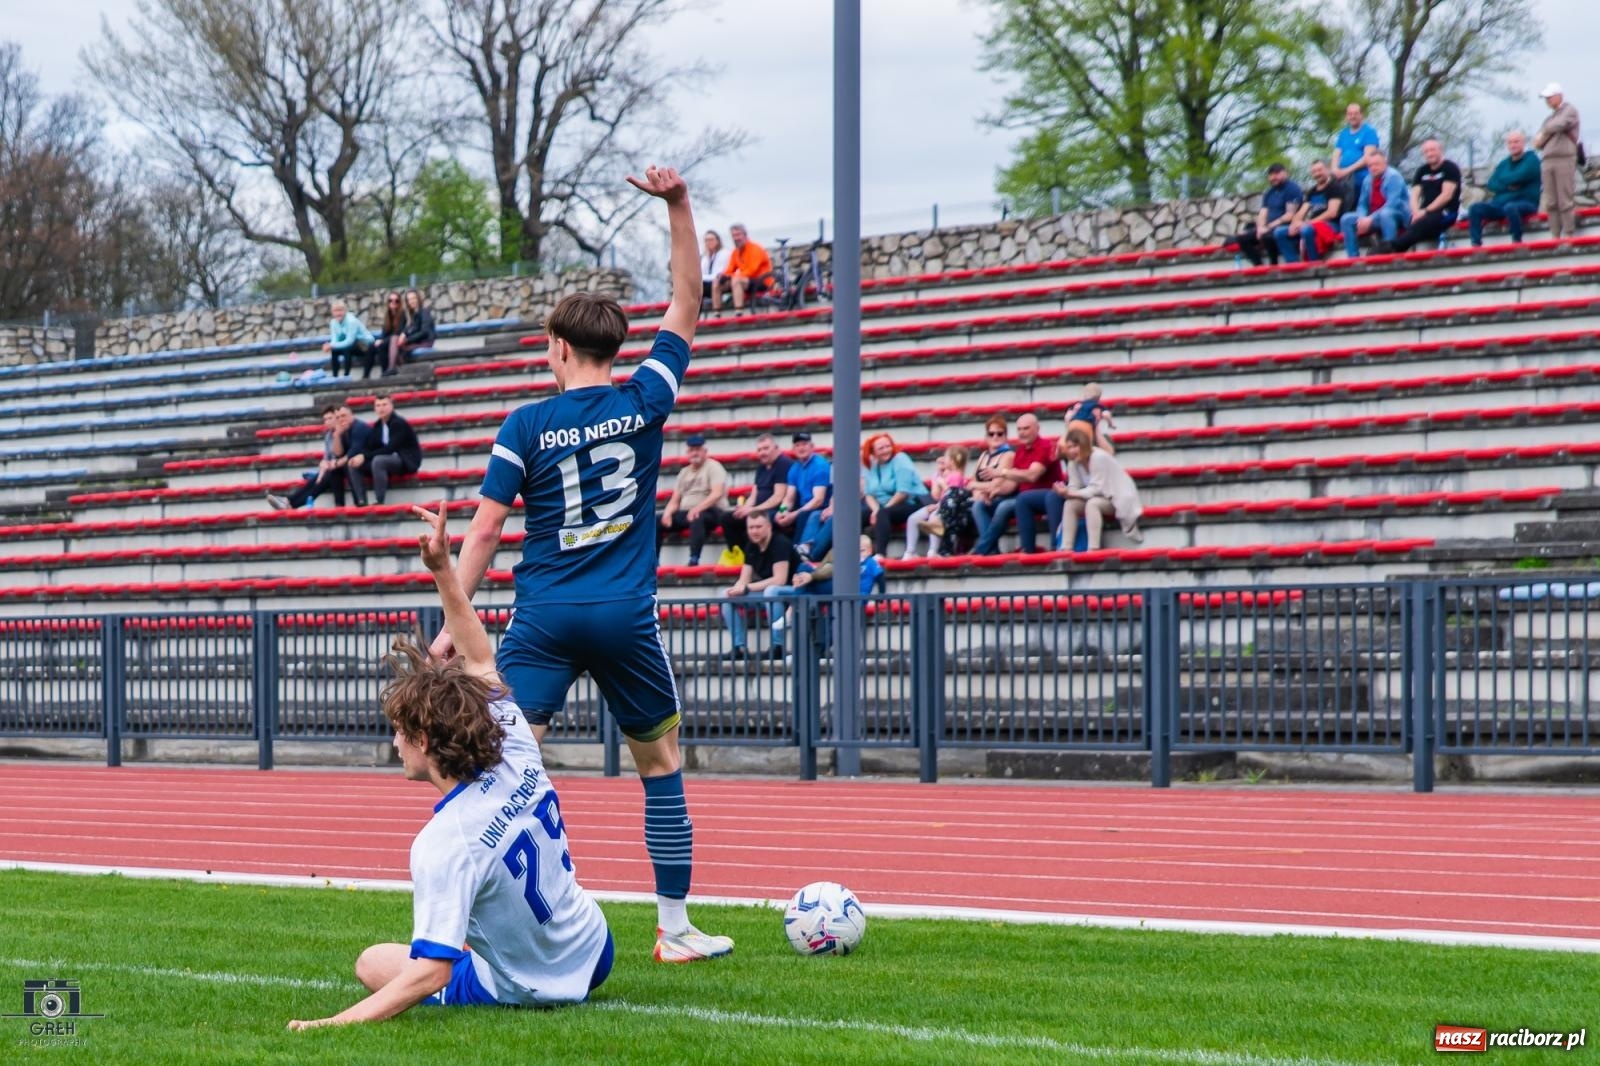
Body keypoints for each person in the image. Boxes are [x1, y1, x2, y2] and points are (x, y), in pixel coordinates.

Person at [433, 165, 733, 963]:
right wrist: (677, 204)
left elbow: (489, 531)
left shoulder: (526, 422)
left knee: (497, 769)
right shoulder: (646, 399)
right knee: (661, 763)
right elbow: (688, 302)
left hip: (543, 619)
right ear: (613, 347)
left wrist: (449, 620)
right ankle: (674, 932)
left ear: (558, 349)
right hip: (625, 616)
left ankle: (472, 932)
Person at [287, 504, 612, 1030]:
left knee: (372, 961)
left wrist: (327, 1026)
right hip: (595, 948)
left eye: (399, 729)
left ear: (422, 738)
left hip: (532, 987)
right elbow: (480, 657)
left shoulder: (444, 841)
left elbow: (430, 973)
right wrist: (442, 567)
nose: (394, 741)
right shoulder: (514, 740)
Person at [719, 510, 800, 661]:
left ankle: (778, 646)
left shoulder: (780, 543)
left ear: (768, 526)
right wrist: (735, 590)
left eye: (758, 527)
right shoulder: (751, 546)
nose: (754, 531)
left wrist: (747, 588)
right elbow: (744, 579)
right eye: (751, 528)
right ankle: (739, 647)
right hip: (771, 594)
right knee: (726, 595)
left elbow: (780, 580)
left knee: (772, 591)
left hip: (795, 592)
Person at [973, 413, 1058, 555]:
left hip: (1043, 496)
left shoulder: (1044, 446)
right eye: (1019, 429)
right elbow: (1011, 484)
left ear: (1037, 428)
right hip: (1020, 496)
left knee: (1005, 506)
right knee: (979, 505)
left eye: (1026, 429)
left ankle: (981, 549)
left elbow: (1032, 475)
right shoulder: (1020, 451)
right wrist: (991, 492)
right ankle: (991, 550)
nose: (1022, 433)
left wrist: (1002, 472)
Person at [1054, 428, 1144, 551]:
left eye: (1075, 446)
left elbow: (1096, 489)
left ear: (1084, 444)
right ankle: (1066, 547)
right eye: (1069, 447)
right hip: (1097, 495)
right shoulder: (1073, 462)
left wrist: (1071, 492)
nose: (1072, 450)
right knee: (1070, 504)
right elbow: (1074, 486)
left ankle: (1093, 548)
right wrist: (1065, 492)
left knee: (1092, 504)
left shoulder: (1098, 457)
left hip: (1116, 498)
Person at [657, 435, 729, 567]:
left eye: (698, 449)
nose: (694, 453)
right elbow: (675, 500)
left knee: (697, 517)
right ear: (687, 453)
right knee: (657, 520)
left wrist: (698, 508)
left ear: (705, 451)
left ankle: (694, 558)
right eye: (691, 450)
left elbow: (717, 493)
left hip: (712, 511)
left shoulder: (714, 467)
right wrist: (667, 513)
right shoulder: (684, 472)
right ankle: (654, 561)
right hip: (688, 512)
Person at [1383, 139, 1462, 254]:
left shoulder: (1450, 168)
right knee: (1411, 221)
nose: (1429, 154)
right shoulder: (1422, 171)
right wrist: (1416, 213)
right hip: (1425, 214)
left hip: (1446, 212)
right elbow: (1414, 194)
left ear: (1440, 150)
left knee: (1424, 223)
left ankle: (1394, 247)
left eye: (1432, 150)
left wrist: (1424, 212)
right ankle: (1395, 248)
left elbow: (1446, 195)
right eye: (1426, 151)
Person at [862, 433, 931, 557]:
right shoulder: (873, 465)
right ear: (873, 452)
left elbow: (902, 493)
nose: (886, 450)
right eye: (881, 448)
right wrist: (875, 509)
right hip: (885, 505)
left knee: (883, 513)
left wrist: (881, 510)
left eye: (888, 446)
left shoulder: (901, 459)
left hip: (912, 502)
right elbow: (869, 494)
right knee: (858, 514)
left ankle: (880, 553)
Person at [1468, 131, 1541, 246]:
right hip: (1500, 204)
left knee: (1510, 207)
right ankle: (1476, 245)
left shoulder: (1532, 160)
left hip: (1525, 202)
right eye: (1510, 142)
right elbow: (1492, 183)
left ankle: (1517, 241)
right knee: (1475, 208)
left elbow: (1520, 176)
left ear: (1523, 143)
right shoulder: (1504, 163)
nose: (1513, 145)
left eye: (1516, 142)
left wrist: (1503, 181)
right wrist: (1509, 185)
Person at [348, 393, 422, 506]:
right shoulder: (378, 425)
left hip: (404, 459)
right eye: (378, 405)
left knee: (378, 460)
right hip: (387, 459)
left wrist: (365, 456)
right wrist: (360, 456)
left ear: (391, 406)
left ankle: (379, 500)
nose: (381, 408)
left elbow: (390, 448)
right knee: (354, 464)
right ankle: (361, 501)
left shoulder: (398, 423)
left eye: (384, 405)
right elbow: (370, 447)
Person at [723, 433, 792, 553]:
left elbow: (778, 497)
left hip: (776, 511)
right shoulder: (761, 467)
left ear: (776, 448)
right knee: (727, 518)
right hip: (758, 510)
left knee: (754, 522)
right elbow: (754, 495)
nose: (762, 453)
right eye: (759, 450)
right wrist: (745, 508)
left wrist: (754, 510)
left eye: (766, 448)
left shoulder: (783, 463)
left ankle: (753, 557)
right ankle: (740, 554)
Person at [266, 405, 344, 510]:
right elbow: (326, 458)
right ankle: (288, 501)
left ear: (337, 418)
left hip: (341, 468)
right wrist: (322, 469)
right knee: (317, 479)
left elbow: (342, 455)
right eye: (325, 419)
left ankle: (290, 503)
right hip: (330, 469)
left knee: (325, 477)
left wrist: (327, 468)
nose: (327, 422)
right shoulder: (328, 435)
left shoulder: (343, 432)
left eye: (330, 418)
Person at [1340, 148, 1411, 258]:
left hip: (1397, 215)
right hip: (1374, 217)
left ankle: (1390, 251)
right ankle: (1353, 258)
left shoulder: (1393, 177)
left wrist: (1370, 219)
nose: (1373, 168)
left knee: (1385, 214)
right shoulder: (1367, 180)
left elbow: (1392, 204)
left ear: (1385, 163)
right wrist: (1362, 218)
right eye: (1370, 165)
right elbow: (1362, 204)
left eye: (1376, 164)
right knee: (1346, 219)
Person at [1535, 83, 1582, 240]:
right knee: (1551, 201)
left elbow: (1559, 125)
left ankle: (1568, 233)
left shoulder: (1570, 110)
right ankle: (1555, 234)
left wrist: (1546, 131)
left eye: (1549, 97)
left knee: (1565, 199)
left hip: (1564, 158)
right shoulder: (1550, 117)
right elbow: (1537, 142)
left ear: (1558, 95)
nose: (1547, 101)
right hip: (1548, 160)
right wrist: (1548, 131)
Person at [903, 446, 968, 559]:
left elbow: (952, 496)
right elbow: (936, 495)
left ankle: (933, 550)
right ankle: (910, 551)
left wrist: (942, 485)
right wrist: (938, 475)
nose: (943, 459)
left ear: (952, 460)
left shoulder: (957, 476)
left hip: (948, 509)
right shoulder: (946, 475)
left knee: (934, 517)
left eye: (946, 457)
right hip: (939, 504)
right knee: (913, 519)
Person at [1232, 163, 1303, 266]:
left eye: (1277, 173)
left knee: (1267, 237)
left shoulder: (1292, 189)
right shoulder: (1269, 192)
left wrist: (1268, 227)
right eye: (1271, 174)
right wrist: (1260, 227)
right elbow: (1263, 212)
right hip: (1268, 228)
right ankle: (1258, 265)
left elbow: (1290, 215)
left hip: (1285, 226)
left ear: (1285, 173)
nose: (1274, 177)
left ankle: (1273, 265)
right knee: (1243, 238)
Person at [775, 431, 831, 557]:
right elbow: (789, 498)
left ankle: (796, 554)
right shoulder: (795, 468)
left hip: (820, 508)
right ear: (793, 449)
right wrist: (782, 511)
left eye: (804, 444)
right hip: (804, 507)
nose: (801, 448)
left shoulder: (820, 465)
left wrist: (794, 514)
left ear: (812, 446)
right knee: (774, 518)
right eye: (798, 445)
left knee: (803, 515)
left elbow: (818, 500)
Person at [1281, 160, 1348, 264]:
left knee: (1306, 230)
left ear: (1328, 170)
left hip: (1332, 224)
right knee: (1280, 233)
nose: (1317, 174)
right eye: (1314, 171)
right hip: (1313, 223)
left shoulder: (1335, 187)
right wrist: (1294, 225)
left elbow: (1332, 213)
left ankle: (1314, 263)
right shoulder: (1312, 191)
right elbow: (1301, 211)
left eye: (1320, 170)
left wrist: (1307, 223)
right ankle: (1293, 264)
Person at [967, 415, 1016, 553]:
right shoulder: (983, 456)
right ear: (986, 436)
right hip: (985, 497)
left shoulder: (1008, 455)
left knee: (979, 506)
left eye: (999, 433)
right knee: (975, 504)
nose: (995, 437)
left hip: (1002, 497)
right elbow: (971, 482)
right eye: (991, 433)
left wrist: (977, 488)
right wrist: (978, 492)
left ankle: (982, 549)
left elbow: (997, 484)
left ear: (1006, 436)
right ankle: (991, 549)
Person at [710, 224, 773, 315]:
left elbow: (752, 270)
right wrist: (723, 276)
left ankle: (739, 311)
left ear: (745, 235)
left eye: (738, 235)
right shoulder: (735, 252)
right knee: (716, 282)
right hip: (745, 281)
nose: (736, 238)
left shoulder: (755, 248)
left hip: (762, 281)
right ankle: (716, 313)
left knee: (736, 280)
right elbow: (729, 269)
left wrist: (732, 276)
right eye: (733, 235)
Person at [1330, 102, 1381, 202]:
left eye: (1356, 113)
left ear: (1362, 115)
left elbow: (1368, 157)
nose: (1352, 116)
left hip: (1361, 181)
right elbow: (1336, 154)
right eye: (1350, 114)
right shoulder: (1343, 133)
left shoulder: (1369, 132)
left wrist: (1346, 171)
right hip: (1343, 181)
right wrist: (1335, 169)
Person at [390, 289, 437, 375]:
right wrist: (403, 334)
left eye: (413, 298)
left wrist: (407, 340)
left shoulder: (424, 312)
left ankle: (396, 369)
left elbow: (424, 332)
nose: (411, 301)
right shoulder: (412, 314)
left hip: (426, 341)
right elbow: (409, 328)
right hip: (417, 341)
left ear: (418, 299)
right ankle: (393, 368)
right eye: (409, 299)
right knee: (396, 342)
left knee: (402, 348)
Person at [323, 301, 374, 377]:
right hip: (352, 344)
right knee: (334, 351)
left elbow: (349, 341)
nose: (338, 313)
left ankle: (346, 375)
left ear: (345, 311)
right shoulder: (333, 322)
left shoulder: (351, 321)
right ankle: (335, 376)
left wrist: (331, 345)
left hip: (364, 344)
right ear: (332, 313)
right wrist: (330, 345)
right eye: (335, 311)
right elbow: (334, 340)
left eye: (340, 310)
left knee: (347, 348)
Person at [1065, 382, 1116, 454]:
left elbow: (1067, 417)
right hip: (1085, 427)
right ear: (1099, 398)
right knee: (1084, 444)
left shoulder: (1078, 405)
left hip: (1074, 425)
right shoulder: (1097, 405)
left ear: (1084, 396)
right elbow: (1106, 415)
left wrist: (1070, 426)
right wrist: (1111, 424)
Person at [369, 292, 406, 379]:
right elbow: (385, 331)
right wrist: (381, 339)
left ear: (399, 302)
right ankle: (366, 375)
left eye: (396, 301)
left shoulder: (402, 314)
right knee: (371, 347)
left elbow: (398, 332)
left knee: (381, 346)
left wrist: (382, 340)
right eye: (390, 300)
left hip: (397, 339)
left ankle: (386, 370)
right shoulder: (388, 315)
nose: (393, 302)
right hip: (388, 339)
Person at [700, 230, 730, 307]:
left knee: (699, 287)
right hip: (707, 282)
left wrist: (700, 279)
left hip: (721, 281)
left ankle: (717, 313)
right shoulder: (706, 256)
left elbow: (717, 274)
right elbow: (702, 273)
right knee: (693, 288)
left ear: (717, 241)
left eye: (711, 240)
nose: (708, 242)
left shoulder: (724, 253)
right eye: (706, 240)